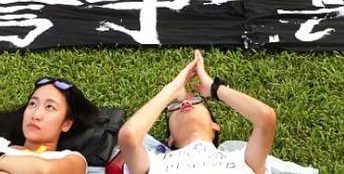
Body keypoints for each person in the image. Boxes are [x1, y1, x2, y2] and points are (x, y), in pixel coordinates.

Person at [118, 49, 276, 174]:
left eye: (196, 101)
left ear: (215, 125)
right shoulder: (154, 163)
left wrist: (214, 89)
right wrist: (172, 89)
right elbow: (129, 136)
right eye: (176, 106)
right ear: (170, 139)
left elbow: (265, 117)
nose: (185, 103)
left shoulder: (241, 160)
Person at [0, 75, 99, 173]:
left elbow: (44, 171)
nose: (36, 115)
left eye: (49, 107)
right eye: (33, 104)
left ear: (66, 124)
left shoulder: (72, 159)